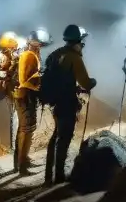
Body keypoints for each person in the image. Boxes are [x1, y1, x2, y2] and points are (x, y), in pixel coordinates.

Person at [40, 24, 97, 185]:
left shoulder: (55, 54)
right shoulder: (74, 57)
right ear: (78, 41)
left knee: (56, 137)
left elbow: (59, 78)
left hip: (54, 102)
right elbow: (86, 82)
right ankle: (58, 177)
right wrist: (92, 82)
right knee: (64, 138)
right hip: (67, 103)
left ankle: (47, 176)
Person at [13, 28, 50, 174]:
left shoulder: (31, 54)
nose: (41, 47)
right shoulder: (29, 56)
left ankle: (23, 161)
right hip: (25, 96)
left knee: (27, 129)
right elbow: (25, 80)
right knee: (25, 130)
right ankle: (22, 166)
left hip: (27, 96)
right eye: (40, 44)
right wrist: (39, 84)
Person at [0, 31, 22, 154]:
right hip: (12, 89)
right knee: (15, 117)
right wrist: (15, 61)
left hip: (9, 88)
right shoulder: (4, 57)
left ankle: (15, 146)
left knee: (14, 117)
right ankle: (15, 147)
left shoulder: (0, 55)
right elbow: (8, 71)